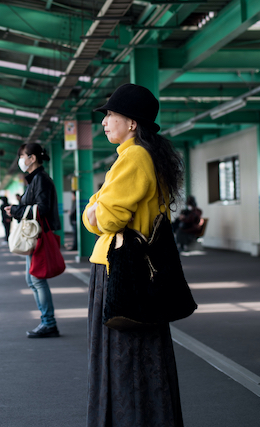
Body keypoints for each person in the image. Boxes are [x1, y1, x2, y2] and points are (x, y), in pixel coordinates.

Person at [82, 83, 185, 426]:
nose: (104, 122)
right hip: (129, 268)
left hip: (121, 269)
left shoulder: (135, 157)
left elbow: (106, 216)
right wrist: (95, 210)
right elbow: (94, 212)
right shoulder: (136, 156)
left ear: (132, 122)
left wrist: (96, 210)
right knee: (139, 356)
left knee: (123, 357)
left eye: (111, 114)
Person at [4, 142, 61, 338]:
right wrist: (16, 210)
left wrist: (17, 210)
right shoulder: (36, 179)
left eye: (23, 156)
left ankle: (49, 323)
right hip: (36, 235)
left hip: (39, 236)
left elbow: (42, 208)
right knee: (32, 279)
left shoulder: (41, 179)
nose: (21, 160)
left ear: (32, 158)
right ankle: (47, 321)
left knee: (37, 279)